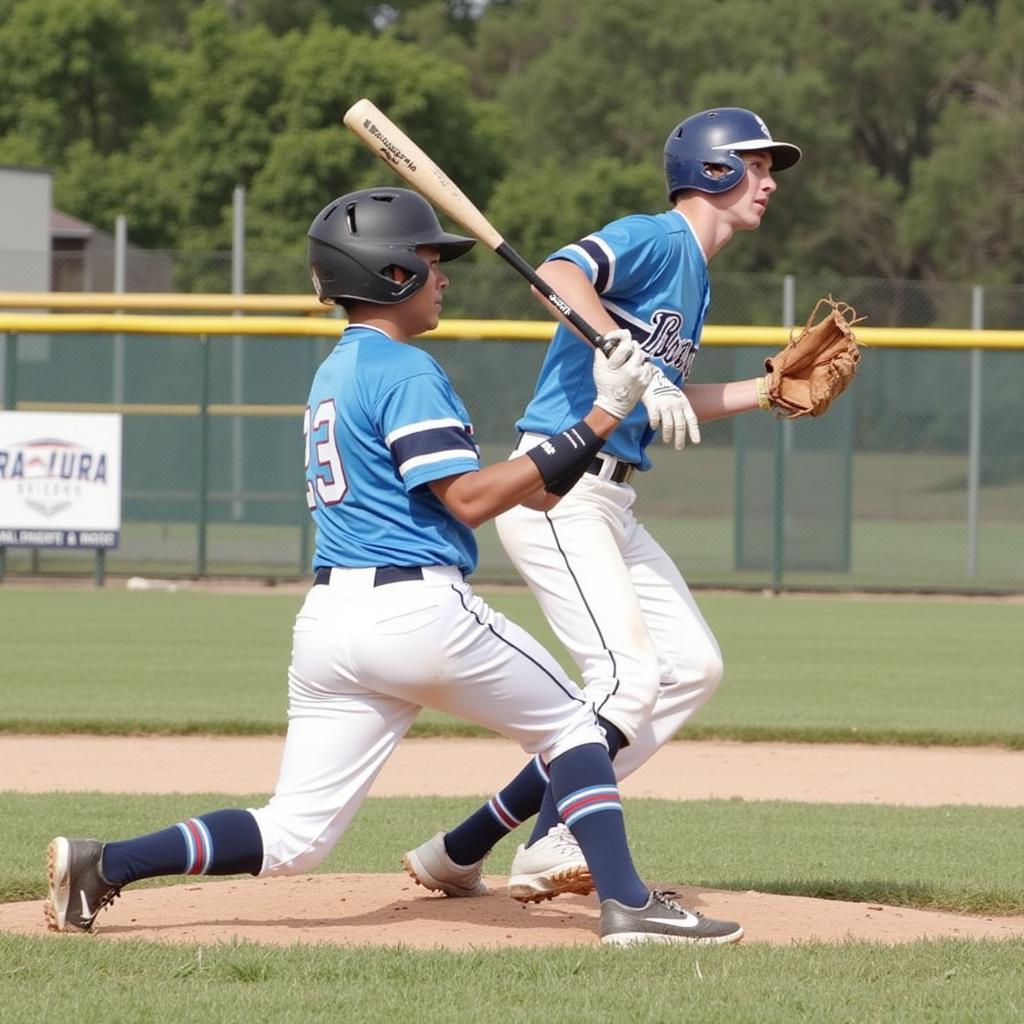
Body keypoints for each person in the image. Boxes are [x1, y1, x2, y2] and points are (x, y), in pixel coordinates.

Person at [44, 186, 743, 946]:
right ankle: (629, 906)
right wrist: (603, 415)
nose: (444, 276)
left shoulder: (337, 370)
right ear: (393, 275)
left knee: (294, 835)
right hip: (416, 610)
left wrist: (579, 440)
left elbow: (508, 494)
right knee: (582, 725)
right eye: (431, 261)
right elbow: (472, 500)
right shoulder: (406, 371)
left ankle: (104, 863)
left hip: (329, 627)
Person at [403, 107, 801, 902]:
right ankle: (552, 839)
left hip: (613, 502)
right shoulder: (658, 237)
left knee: (693, 666)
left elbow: (665, 396)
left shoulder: (698, 275)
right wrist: (618, 348)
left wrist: (767, 390)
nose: (769, 182)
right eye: (757, 165)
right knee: (625, 677)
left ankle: (465, 845)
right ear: (714, 169)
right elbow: (557, 273)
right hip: (557, 489)